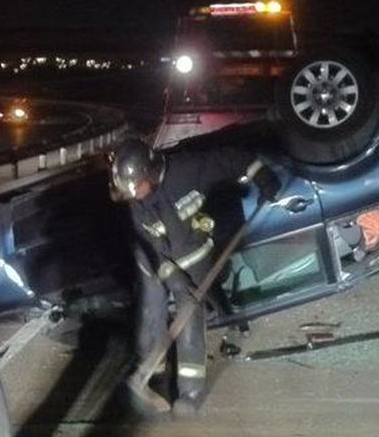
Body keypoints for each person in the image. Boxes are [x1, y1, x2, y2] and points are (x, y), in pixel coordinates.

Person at [111, 137, 278, 417]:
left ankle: (191, 390)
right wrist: (171, 276)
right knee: (152, 307)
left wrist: (261, 173)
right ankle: (152, 372)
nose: (135, 195)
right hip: (155, 259)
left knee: (189, 315)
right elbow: (147, 244)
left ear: (150, 172)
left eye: (137, 187)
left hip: (194, 254)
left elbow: (231, 157)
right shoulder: (134, 201)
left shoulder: (190, 170)